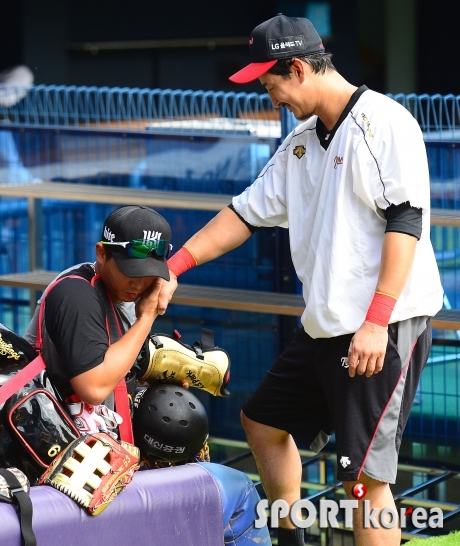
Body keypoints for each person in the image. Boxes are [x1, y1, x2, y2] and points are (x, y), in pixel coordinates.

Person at [158, 14, 443, 546]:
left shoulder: (384, 122)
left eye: (272, 87)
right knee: (262, 422)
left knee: (364, 482)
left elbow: (406, 220)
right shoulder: (301, 142)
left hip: (382, 329)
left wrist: (376, 322)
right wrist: (174, 268)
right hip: (325, 327)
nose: (273, 101)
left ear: (297, 68)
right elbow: (242, 214)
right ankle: (291, 540)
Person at [23, 205, 208, 465]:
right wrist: (147, 317)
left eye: (148, 273)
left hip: (102, 452)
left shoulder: (129, 293)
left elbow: (118, 374)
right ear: (101, 253)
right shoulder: (76, 295)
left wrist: (154, 386)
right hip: (52, 454)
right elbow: (94, 387)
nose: (139, 283)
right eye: (131, 270)